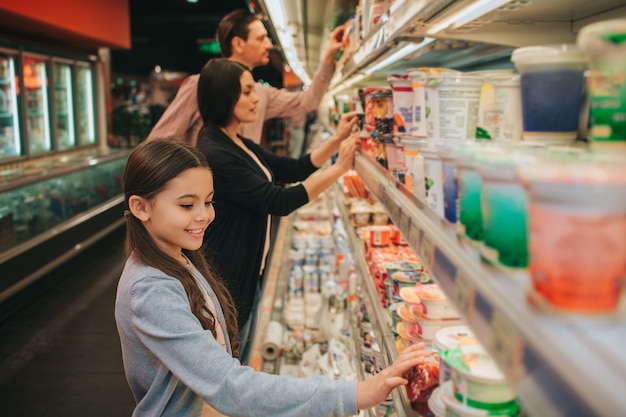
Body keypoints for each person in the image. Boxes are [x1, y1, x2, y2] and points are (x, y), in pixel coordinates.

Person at [115, 138, 430, 417]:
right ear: (140, 207)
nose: (204, 215)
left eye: (209, 201)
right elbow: (229, 387)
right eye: (187, 205)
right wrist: (357, 393)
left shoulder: (176, 257)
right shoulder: (151, 290)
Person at [196, 58, 359, 362]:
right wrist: (339, 169)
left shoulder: (235, 141)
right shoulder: (215, 153)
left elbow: (291, 168)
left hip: (248, 270)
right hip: (228, 277)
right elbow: (279, 201)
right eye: (247, 92)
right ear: (223, 95)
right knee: (232, 365)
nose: (257, 98)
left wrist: (337, 138)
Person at [147, 9, 345, 146]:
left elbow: (307, 101)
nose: (269, 45)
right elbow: (159, 143)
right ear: (238, 44)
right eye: (261, 38)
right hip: (206, 201)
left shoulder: (261, 93)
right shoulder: (200, 85)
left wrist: (328, 59)